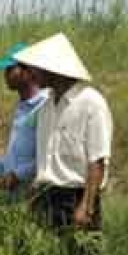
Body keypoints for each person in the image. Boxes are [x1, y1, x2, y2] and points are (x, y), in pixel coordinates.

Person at [13, 32, 113, 236]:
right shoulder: (47, 105)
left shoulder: (90, 102)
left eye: (36, 69)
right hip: (45, 196)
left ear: (54, 69)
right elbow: (45, 158)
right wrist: (34, 195)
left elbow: (97, 160)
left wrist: (87, 205)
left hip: (75, 197)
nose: (31, 75)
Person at [0, 43, 48, 197]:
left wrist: (18, 176)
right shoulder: (22, 108)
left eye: (10, 69)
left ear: (28, 71)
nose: (5, 74)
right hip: (15, 199)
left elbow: (48, 157)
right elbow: (15, 159)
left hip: (34, 197)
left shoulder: (45, 106)